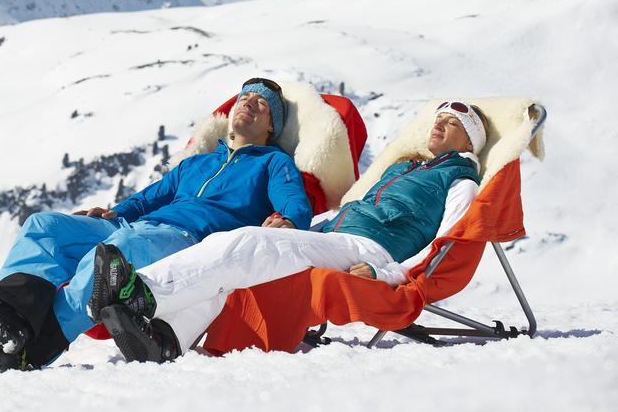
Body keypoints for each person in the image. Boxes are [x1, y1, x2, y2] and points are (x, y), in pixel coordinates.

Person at [0, 77, 312, 371]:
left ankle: (37, 346)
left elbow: (295, 202)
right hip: (135, 226)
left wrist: (289, 221)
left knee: (110, 258)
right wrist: (115, 212)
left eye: (262, 105)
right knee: (44, 226)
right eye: (245, 98)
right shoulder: (195, 163)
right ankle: (12, 312)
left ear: (270, 128)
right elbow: (148, 198)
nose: (249, 104)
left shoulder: (272, 164)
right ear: (230, 113)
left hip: (185, 240)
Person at [91, 100, 486, 364]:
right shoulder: (405, 168)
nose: (439, 123)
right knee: (242, 267)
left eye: (453, 123)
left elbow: (446, 246)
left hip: (371, 250)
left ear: (471, 141)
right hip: (334, 238)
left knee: (247, 242)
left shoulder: (460, 182)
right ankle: (164, 340)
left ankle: (142, 294)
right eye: (439, 117)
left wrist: (385, 274)